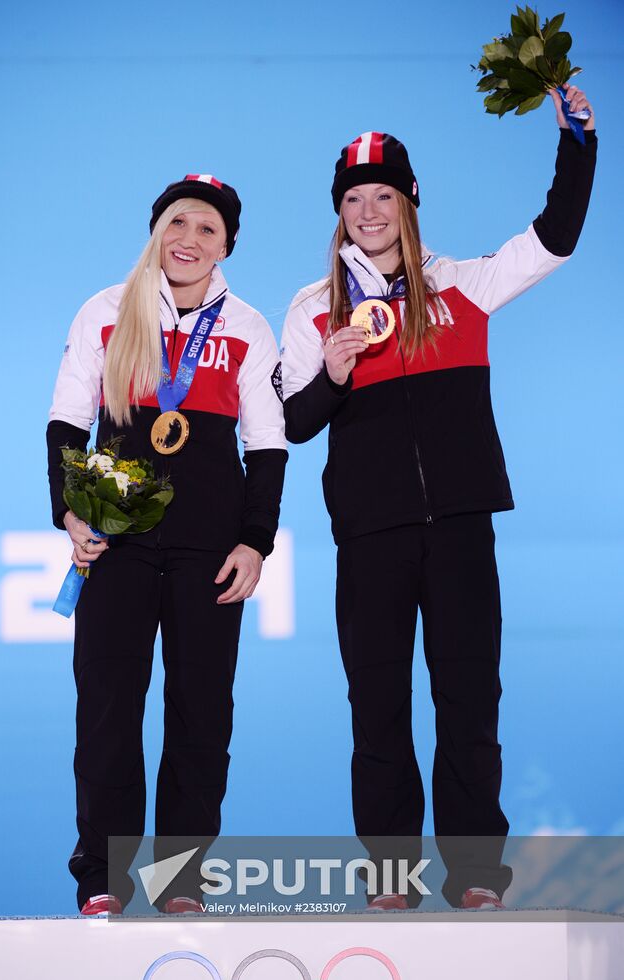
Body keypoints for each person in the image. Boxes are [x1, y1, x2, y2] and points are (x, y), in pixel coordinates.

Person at [280, 86, 596, 910]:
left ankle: (475, 875)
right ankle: (390, 875)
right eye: (354, 199)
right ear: (339, 214)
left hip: (459, 526)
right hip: (371, 535)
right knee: (377, 703)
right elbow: (290, 420)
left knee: (468, 696)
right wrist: (336, 377)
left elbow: (554, 239)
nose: (370, 210)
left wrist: (578, 144)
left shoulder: (461, 284)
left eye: (384, 194)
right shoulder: (314, 309)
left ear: (410, 199)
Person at [47, 173, 287, 915]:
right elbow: (66, 422)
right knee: (109, 711)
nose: (189, 239)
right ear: (157, 231)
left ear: (228, 245)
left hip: (208, 551)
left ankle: (182, 877)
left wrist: (254, 544)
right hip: (117, 544)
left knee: (201, 713)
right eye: (177, 223)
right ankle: (103, 880)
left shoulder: (247, 324)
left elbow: (268, 445)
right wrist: (69, 514)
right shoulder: (106, 310)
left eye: (207, 229)